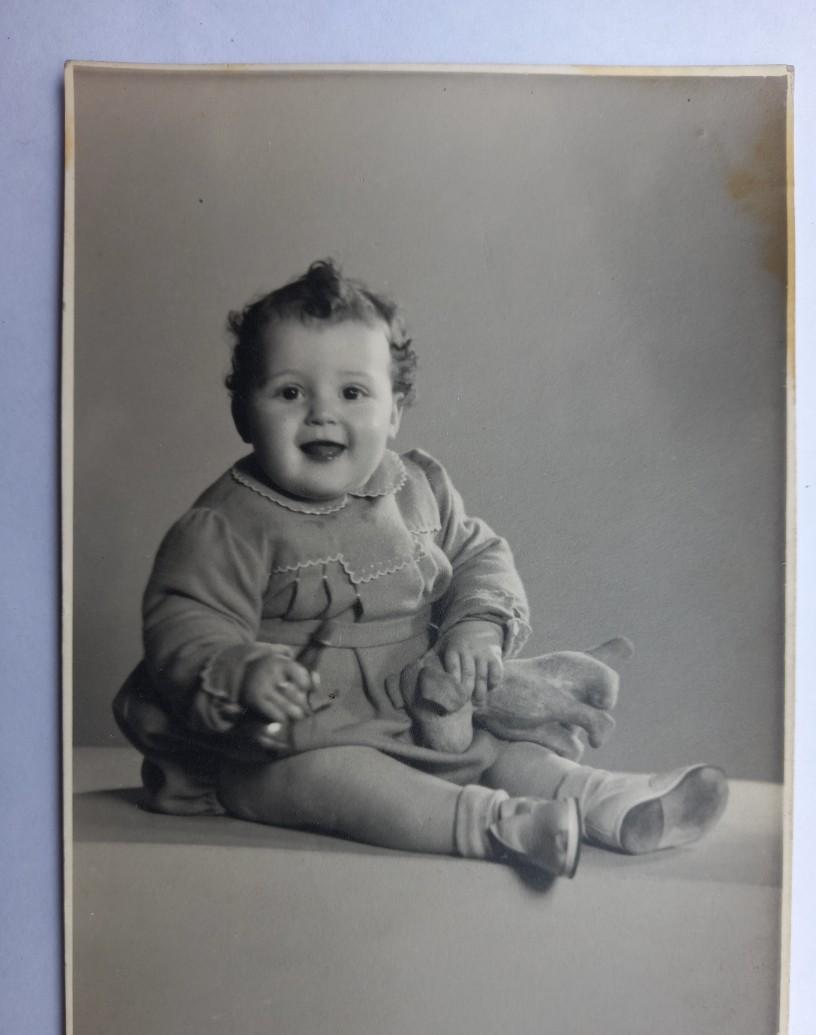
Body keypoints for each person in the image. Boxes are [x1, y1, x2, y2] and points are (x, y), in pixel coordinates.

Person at [114, 260, 727, 879]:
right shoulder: (229, 524)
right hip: (291, 739)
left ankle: (607, 802)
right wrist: (242, 670)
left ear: (396, 412)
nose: (322, 415)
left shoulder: (417, 486)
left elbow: (479, 557)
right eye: (290, 392)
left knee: (498, 748)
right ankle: (498, 826)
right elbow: (186, 622)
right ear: (245, 412)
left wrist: (477, 629)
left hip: (416, 708)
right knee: (346, 782)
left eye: (352, 394)